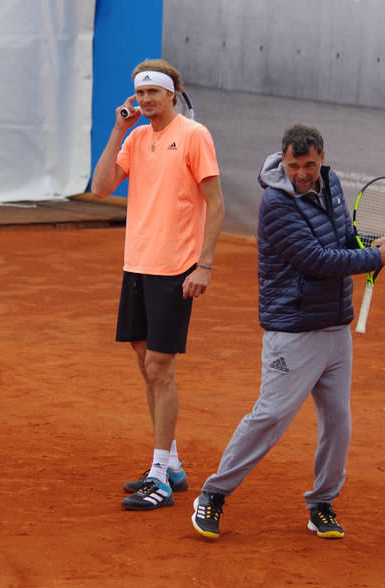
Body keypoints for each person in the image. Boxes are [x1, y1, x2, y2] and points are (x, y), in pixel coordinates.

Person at [190, 124, 385, 539]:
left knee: (337, 422)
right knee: (271, 415)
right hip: (293, 332)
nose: (302, 173)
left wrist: (370, 245)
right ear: (283, 160)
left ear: (322, 159)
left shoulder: (332, 185)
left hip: (334, 328)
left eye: (309, 164)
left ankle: (322, 504)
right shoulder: (276, 203)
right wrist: (374, 257)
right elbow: (315, 259)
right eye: (294, 165)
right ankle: (213, 495)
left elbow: (341, 238)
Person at [91, 59, 225, 511]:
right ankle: (170, 463)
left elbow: (216, 204)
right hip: (138, 264)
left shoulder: (193, 135)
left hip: (175, 268)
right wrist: (116, 131)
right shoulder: (135, 136)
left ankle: (160, 479)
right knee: (146, 363)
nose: (146, 101)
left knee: (159, 368)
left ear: (172, 95)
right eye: (140, 93)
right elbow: (101, 187)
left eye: (154, 93)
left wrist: (203, 266)